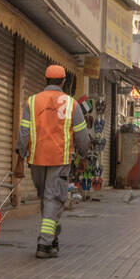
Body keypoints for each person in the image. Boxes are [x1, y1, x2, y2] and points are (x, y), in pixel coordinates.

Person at [14, 65, 93, 259]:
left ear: (45, 80)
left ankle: (52, 237)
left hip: (36, 160)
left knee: (46, 199)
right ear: (64, 82)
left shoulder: (32, 102)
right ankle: (44, 245)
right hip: (59, 159)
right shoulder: (71, 104)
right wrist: (83, 156)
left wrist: (19, 159)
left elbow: (24, 133)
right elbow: (82, 136)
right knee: (53, 199)